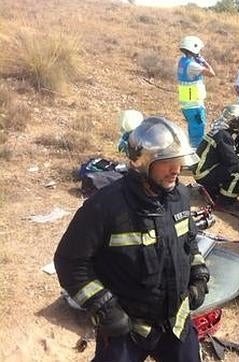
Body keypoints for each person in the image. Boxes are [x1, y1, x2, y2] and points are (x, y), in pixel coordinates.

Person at [54, 117, 209, 362]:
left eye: (178, 161)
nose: (176, 169)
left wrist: (199, 274)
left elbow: (189, 243)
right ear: (143, 163)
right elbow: (70, 262)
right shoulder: (105, 207)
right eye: (167, 162)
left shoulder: (179, 196)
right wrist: (104, 307)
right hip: (127, 326)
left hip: (175, 322)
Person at [193, 105, 239, 207]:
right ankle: (226, 200)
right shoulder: (223, 135)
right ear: (236, 122)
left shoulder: (218, 131)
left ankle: (213, 190)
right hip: (204, 175)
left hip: (201, 171)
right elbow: (231, 161)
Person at [177, 35, 215, 148]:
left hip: (186, 104)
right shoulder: (193, 65)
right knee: (197, 136)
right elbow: (212, 73)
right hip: (194, 105)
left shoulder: (182, 61)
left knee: (192, 132)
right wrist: (203, 61)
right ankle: (195, 159)